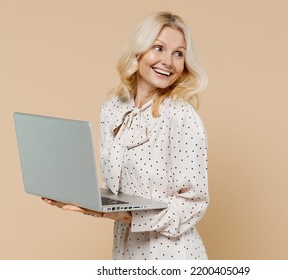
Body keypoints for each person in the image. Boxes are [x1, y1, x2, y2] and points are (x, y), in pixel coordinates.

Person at [44, 11, 209, 260]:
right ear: (138, 51)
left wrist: (119, 215)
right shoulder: (113, 109)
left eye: (179, 53)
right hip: (125, 250)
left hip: (171, 256)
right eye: (158, 48)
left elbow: (193, 204)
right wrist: (82, 198)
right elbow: (120, 193)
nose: (168, 61)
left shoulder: (181, 116)